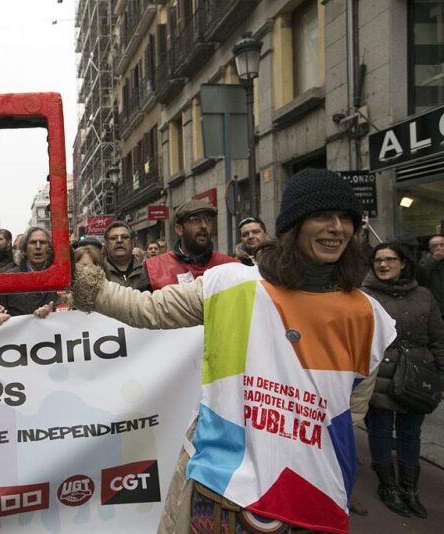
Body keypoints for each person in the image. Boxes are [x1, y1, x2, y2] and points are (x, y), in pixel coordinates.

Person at [71, 169, 396, 534]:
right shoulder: (231, 283)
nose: (337, 227)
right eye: (323, 216)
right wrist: (84, 281)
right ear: (293, 225)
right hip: (224, 491)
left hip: (311, 495)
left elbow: (352, 410)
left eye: (347, 219)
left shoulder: (367, 314)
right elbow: (149, 308)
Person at [361, 242, 444, 519]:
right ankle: (388, 487)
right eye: (378, 260)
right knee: (381, 432)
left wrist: (441, 376)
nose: (383, 265)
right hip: (381, 375)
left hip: (418, 376)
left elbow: (438, 339)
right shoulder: (364, 296)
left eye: (389, 260)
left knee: (410, 434)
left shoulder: (423, 296)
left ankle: (409, 488)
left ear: (403, 263)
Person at [141, 200, 238, 291]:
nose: (204, 225)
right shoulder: (154, 268)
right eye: (195, 220)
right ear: (179, 229)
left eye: (208, 220)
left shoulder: (231, 266)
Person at [0, 227, 58, 316]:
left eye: (42, 242)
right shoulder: (8, 278)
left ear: (49, 248)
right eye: (33, 242)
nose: (38, 247)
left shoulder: (58, 275)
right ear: (24, 249)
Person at [103, 221, 145, 290]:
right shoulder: (98, 273)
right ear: (106, 244)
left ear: (132, 242)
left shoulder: (146, 272)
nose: (119, 241)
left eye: (125, 237)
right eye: (113, 238)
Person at [418, 234, 444, 317]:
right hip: (437, 308)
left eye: (442, 245)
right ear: (430, 249)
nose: (439, 248)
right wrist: (434, 259)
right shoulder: (425, 262)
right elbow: (421, 275)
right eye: (435, 246)